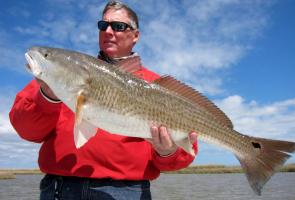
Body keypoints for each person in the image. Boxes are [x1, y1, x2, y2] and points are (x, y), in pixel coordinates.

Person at [9, 1, 198, 200]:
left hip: (127, 192)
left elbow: (184, 154)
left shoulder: (158, 86)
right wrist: (49, 95)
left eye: (118, 26)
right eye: (103, 25)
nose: (108, 31)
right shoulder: (60, 75)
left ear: (135, 35)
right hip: (59, 189)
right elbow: (26, 130)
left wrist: (168, 152)